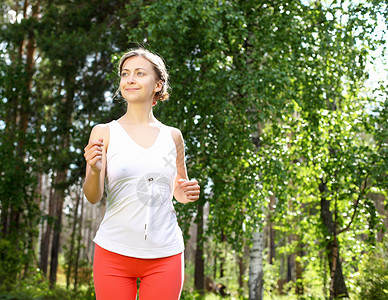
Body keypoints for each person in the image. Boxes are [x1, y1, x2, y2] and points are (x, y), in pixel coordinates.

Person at [83, 48, 200, 300]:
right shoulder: (103, 132)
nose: (130, 79)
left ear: (158, 85)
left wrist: (186, 191)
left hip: (165, 254)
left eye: (139, 73)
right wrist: (94, 170)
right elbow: (93, 197)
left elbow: (177, 191)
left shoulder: (173, 136)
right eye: (125, 74)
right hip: (113, 252)